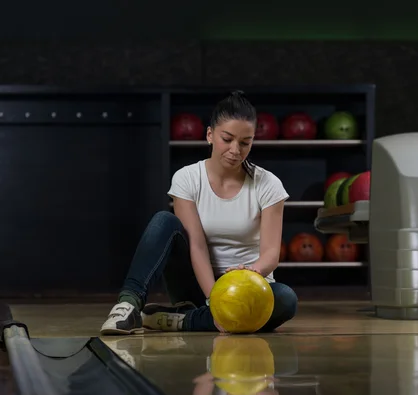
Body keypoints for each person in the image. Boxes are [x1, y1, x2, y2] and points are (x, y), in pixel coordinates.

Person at [100, 91, 298, 335]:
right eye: (227, 139)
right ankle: (128, 306)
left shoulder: (268, 184)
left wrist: (252, 273)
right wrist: (217, 300)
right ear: (209, 135)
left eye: (245, 142)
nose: (235, 150)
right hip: (196, 285)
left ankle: (183, 320)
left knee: (286, 300)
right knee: (164, 220)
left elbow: (270, 253)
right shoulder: (187, 178)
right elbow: (197, 246)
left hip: (247, 287)